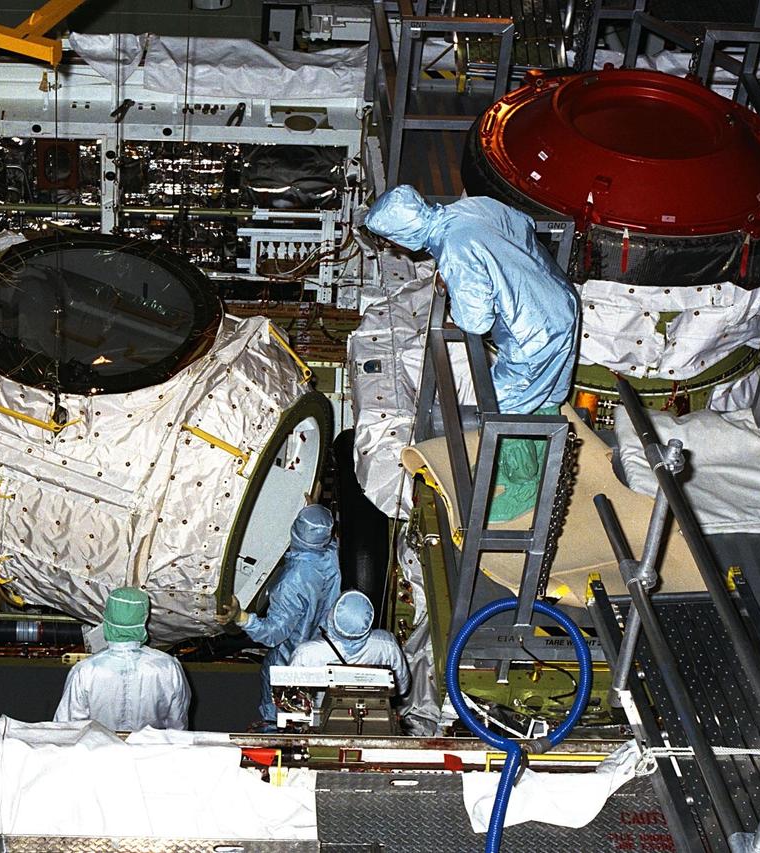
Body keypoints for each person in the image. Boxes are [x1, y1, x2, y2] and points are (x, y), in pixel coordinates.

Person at [364, 185, 580, 521]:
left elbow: (475, 321)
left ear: (402, 234)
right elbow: (521, 224)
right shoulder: (474, 206)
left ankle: (524, 486)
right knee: (546, 395)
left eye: (392, 240)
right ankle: (537, 457)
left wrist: (453, 286)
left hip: (532, 334)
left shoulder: (455, 248)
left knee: (503, 406)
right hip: (560, 302)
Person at [218, 504, 342, 728]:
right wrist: (313, 511)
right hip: (321, 656)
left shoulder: (293, 582)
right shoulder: (331, 555)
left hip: (289, 664)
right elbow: (323, 534)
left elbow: (273, 634)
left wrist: (241, 617)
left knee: (279, 720)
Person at [55, 587, 190, 731]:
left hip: (98, 751)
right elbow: (178, 727)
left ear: (107, 617)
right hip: (151, 752)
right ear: (144, 618)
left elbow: (66, 728)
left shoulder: (85, 671)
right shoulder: (168, 667)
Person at [289, 590, 410, 699]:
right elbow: (402, 688)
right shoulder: (388, 645)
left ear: (332, 616)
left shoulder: (306, 654)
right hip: (373, 714)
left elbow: (292, 698)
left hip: (321, 718)